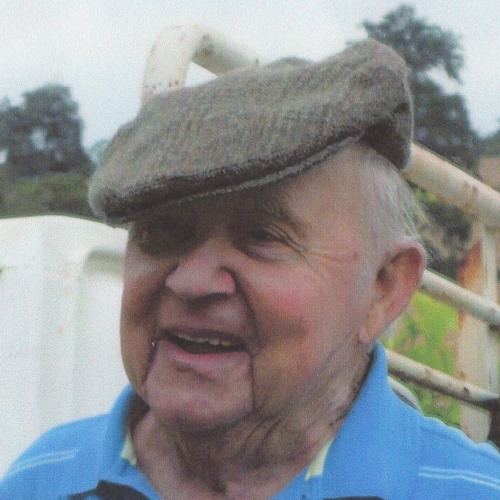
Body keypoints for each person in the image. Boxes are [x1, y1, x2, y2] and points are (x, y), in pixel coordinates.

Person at [1, 37, 499, 500]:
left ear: (383, 288)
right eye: (161, 234)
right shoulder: (41, 482)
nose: (191, 281)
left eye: (261, 236)